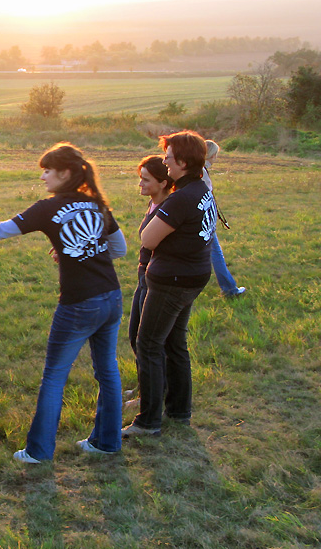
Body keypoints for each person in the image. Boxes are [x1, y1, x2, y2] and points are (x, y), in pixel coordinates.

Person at [0, 143, 126, 463]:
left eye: (47, 170)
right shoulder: (95, 203)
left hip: (79, 303)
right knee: (108, 371)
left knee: (54, 376)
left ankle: (38, 451)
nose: (42, 176)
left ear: (65, 173)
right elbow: (119, 248)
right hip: (111, 297)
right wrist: (81, 255)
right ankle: (107, 443)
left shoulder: (48, 208)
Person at [123, 131, 217, 438]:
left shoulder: (182, 198)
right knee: (176, 343)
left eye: (169, 157)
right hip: (195, 275)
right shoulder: (203, 188)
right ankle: (179, 410)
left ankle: (148, 421)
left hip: (171, 281)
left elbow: (148, 238)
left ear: (184, 162)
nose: (164, 160)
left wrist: (161, 211)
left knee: (149, 344)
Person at [124, 156, 174, 412]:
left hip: (154, 279)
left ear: (163, 183)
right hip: (144, 275)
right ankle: (147, 386)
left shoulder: (168, 208)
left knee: (146, 340)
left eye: (146, 179)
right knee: (136, 336)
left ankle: (150, 395)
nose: (140, 184)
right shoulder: (156, 204)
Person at [204, 140, 246, 298]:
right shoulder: (202, 172)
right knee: (216, 253)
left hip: (200, 219)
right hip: (204, 221)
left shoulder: (196, 169)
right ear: (212, 155)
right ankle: (229, 289)